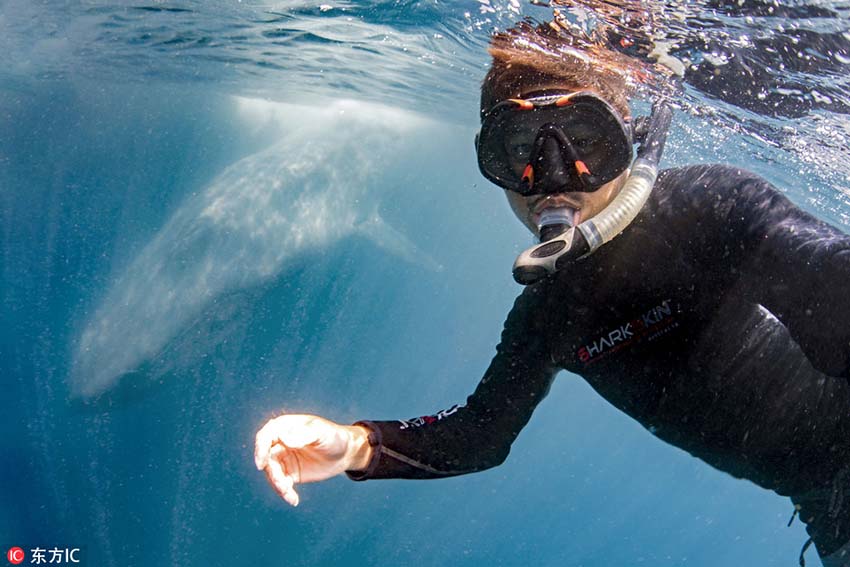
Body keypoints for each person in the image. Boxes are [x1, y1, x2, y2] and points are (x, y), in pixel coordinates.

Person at [254, 19, 850, 567]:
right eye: (520, 150)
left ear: (629, 142)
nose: (555, 176)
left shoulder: (711, 207)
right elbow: (482, 434)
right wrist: (354, 446)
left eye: (584, 141)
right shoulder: (548, 315)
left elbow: (823, 273)